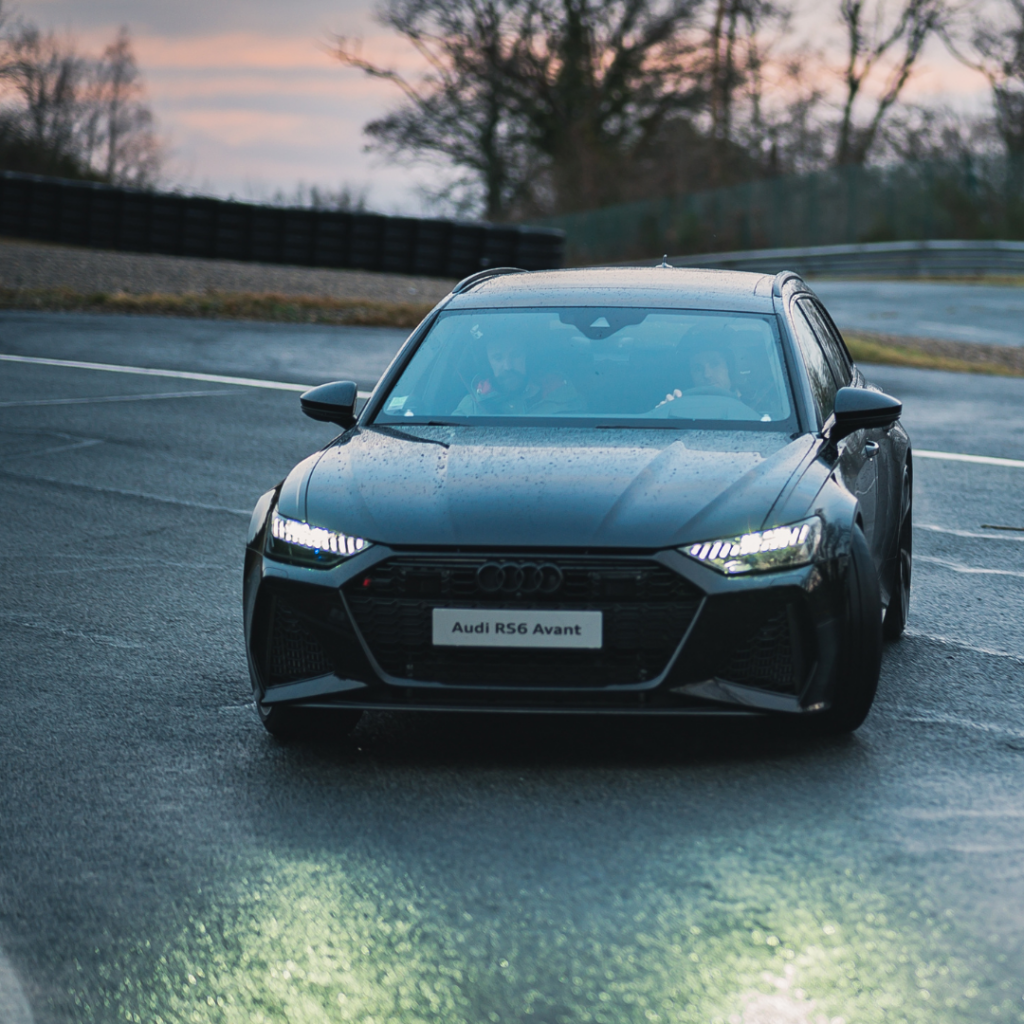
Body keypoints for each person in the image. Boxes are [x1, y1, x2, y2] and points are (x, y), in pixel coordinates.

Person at [454, 335, 584, 416]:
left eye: (516, 355)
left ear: (528, 358)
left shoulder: (561, 393)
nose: (508, 366)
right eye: (498, 358)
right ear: (488, 364)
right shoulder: (472, 407)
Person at [656, 347, 740, 409]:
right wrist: (664, 412)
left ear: (730, 369)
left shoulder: (751, 410)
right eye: (698, 369)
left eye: (714, 364)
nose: (707, 374)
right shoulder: (681, 409)